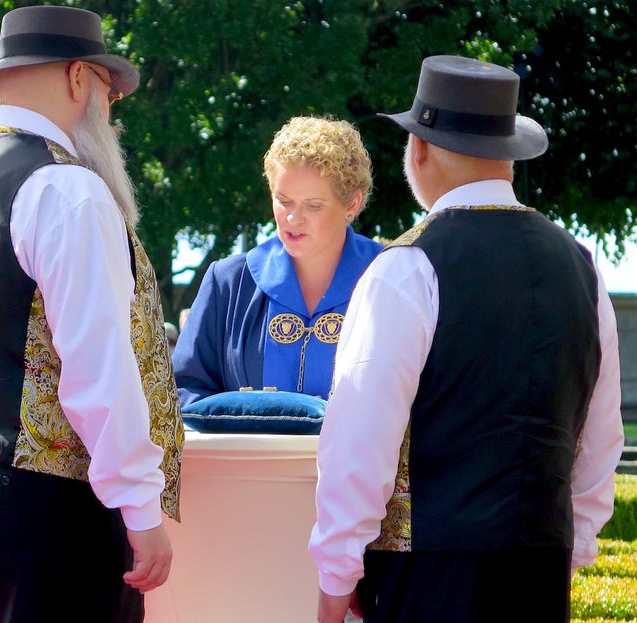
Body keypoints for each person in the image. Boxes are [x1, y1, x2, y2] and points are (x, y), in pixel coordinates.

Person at [308, 55, 624, 623]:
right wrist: (570, 548)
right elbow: (601, 434)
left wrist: (338, 570)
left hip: (429, 574)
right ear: (506, 155)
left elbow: (360, 439)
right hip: (539, 565)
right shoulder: (581, 265)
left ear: (420, 149)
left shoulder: (406, 266)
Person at [0, 7, 183, 623]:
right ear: (79, 80)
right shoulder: (66, 187)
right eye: (110, 91)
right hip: (36, 499)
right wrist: (140, 509)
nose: (110, 110)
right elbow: (98, 364)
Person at [172, 115, 383, 406]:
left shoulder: (388, 278)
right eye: (284, 201)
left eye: (314, 205)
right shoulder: (228, 283)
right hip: (244, 453)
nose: (293, 219)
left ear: (352, 204)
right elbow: (186, 390)